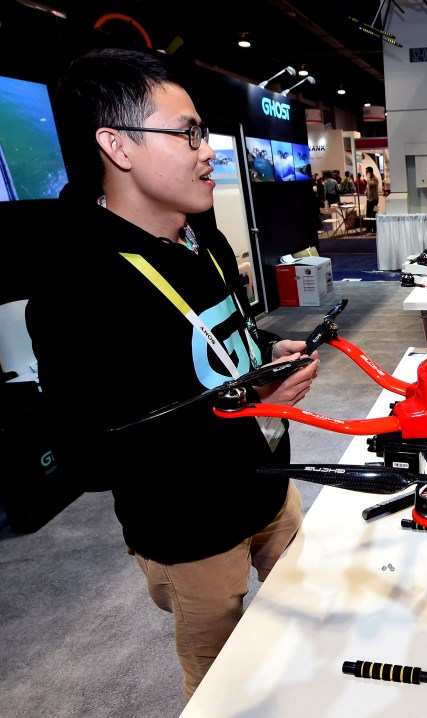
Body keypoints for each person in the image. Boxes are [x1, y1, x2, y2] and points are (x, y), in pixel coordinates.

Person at [25, 47, 319, 701]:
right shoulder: (78, 284)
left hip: (272, 490)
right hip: (192, 533)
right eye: (187, 133)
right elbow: (91, 455)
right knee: (224, 685)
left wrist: (266, 360)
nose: (207, 150)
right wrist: (249, 406)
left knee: (309, 630)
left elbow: (222, 339)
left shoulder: (200, 236)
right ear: (116, 146)